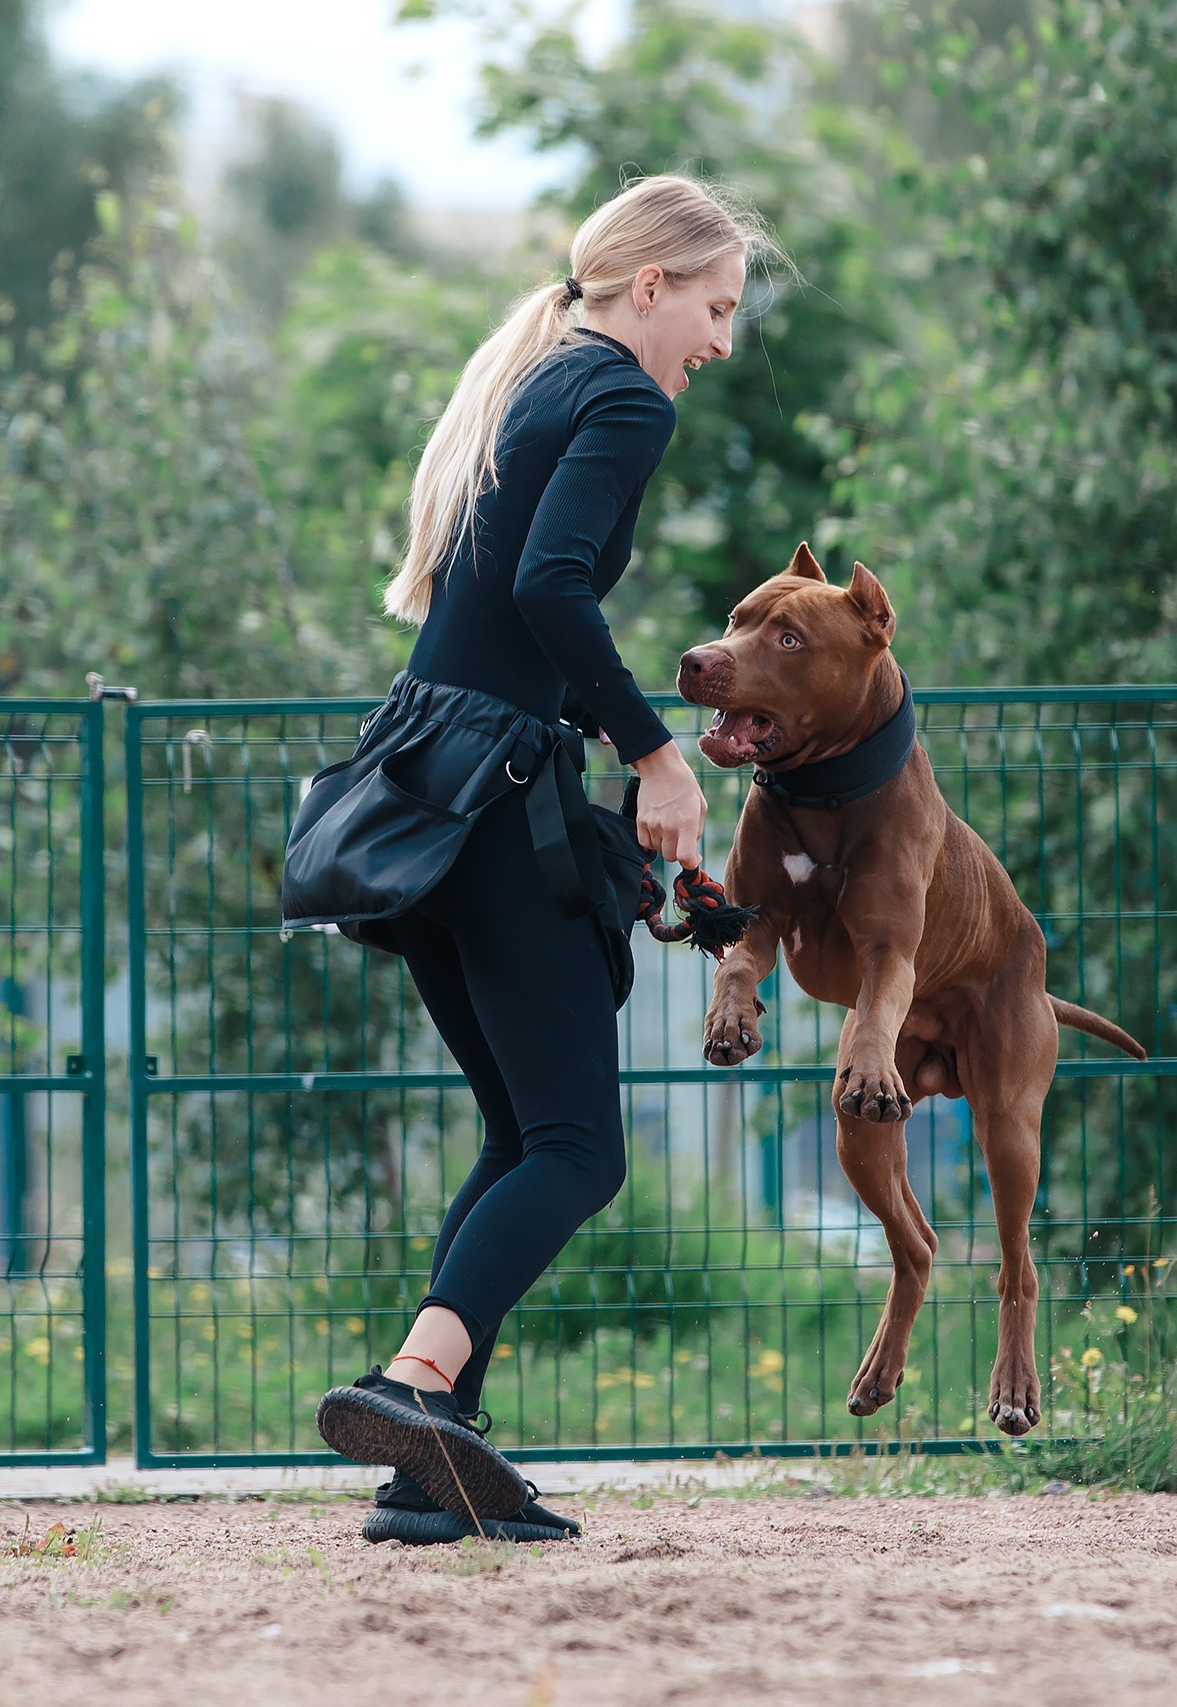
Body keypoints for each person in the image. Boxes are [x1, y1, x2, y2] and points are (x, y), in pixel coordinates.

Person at [308, 175, 776, 1544]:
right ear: (651, 286)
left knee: (523, 1135)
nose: (721, 341)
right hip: (497, 797)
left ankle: (427, 1473)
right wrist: (657, 756)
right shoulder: (622, 397)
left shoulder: (537, 380)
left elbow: (510, 615)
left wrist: (624, 764)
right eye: (715, 308)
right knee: (577, 1150)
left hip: (423, 789)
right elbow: (548, 586)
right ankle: (416, 1385)